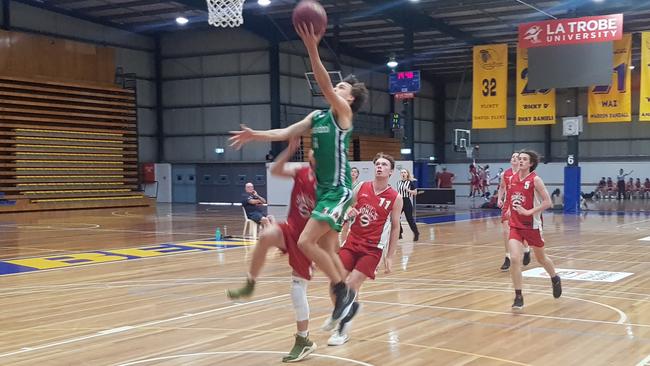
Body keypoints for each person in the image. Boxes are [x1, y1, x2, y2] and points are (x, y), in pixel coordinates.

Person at [229, 21, 369, 329]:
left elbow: (322, 84)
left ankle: (342, 293)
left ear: (349, 101)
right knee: (313, 244)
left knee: (310, 242)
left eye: (342, 88)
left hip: (339, 190)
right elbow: (286, 131)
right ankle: (343, 294)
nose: (337, 88)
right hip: (325, 193)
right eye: (339, 86)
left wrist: (311, 47)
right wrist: (256, 135)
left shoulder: (343, 115)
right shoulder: (317, 116)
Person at [227, 138, 318, 362]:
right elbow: (276, 169)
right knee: (266, 235)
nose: (316, 154)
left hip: (309, 240)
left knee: (297, 289)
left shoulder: (332, 186)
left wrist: (317, 254)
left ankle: (303, 339)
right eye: (314, 151)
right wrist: (289, 149)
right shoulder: (302, 172)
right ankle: (250, 284)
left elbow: (331, 227)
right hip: (291, 229)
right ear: (309, 155)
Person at [327, 153, 402, 346]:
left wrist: (390, 256)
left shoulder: (395, 197)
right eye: (377, 163)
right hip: (352, 243)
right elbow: (345, 208)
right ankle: (346, 311)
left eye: (384, 164)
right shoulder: (361, 187)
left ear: (391, 171)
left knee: (351, 285)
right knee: (336, 284)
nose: (380, 166)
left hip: (372, 249)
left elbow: (395, 227)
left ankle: (341, 330)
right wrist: (347, 212)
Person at [508, 150, 562, 310]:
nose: (521, 161)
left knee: (541, 258)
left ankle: (555, 278)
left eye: (525, 159)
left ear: (531, 163)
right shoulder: (511, 179)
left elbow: (548, 202)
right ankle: (518, 296)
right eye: (520, 159)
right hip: (515, 225)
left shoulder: (535, 180)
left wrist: (528, 212)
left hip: (532, 226)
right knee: (515, 259)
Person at [497, 152, 530, 271]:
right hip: (508, 204)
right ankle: (507, 257)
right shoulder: (505, 174)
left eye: (517, 157)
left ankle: (526, 250)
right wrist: (499, 199)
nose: (515, 159)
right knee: (506, 232)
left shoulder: (525, 174)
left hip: (521, 204)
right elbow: (502, 187)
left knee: (521, 231)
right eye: (513, 157)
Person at [397, 169, 419, 241]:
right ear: (400, 174)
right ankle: (400, 232)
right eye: (402, 172)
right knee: (396, 218)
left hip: (407, 201)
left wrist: (409, 190)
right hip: (399, 201)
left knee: (409, 219)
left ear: (407, 174)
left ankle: (416, 233)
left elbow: (415, 193)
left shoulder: (410, 183)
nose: (403, 173)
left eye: (404, 172)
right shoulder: (398, 182)